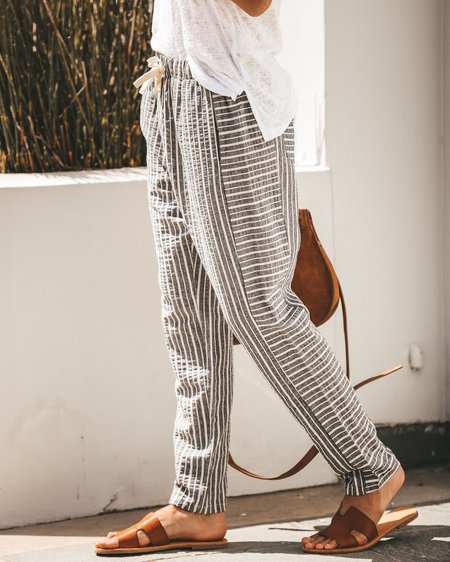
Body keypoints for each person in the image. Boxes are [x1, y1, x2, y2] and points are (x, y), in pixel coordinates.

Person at [95, 0, 416, 556]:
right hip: (166, 91)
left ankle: (371, 471)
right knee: (190, 318)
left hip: (228, 103)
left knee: (260, 308)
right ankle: (197, 499)